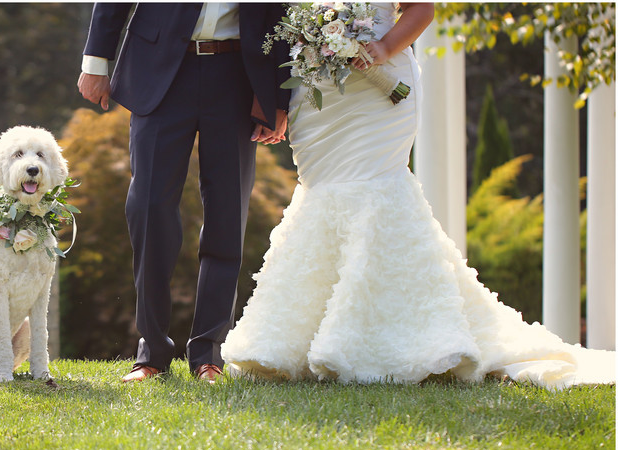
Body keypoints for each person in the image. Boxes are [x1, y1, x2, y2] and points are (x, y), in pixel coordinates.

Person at [221, 2, 615, 390]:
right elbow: (269, 22)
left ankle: (378, 336)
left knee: (377, 193)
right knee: (322, 193)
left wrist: (384, 47)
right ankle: (297, 336)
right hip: (316, 95)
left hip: (380, 91)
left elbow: (421, 9)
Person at [78, 3, 290, 383]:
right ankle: (152, 354)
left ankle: (208, 353)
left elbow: (281, 13)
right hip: (159, 69)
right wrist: (96, 61)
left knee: (228, 212)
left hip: (237, 75)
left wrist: (277, 95)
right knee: (148, 207)